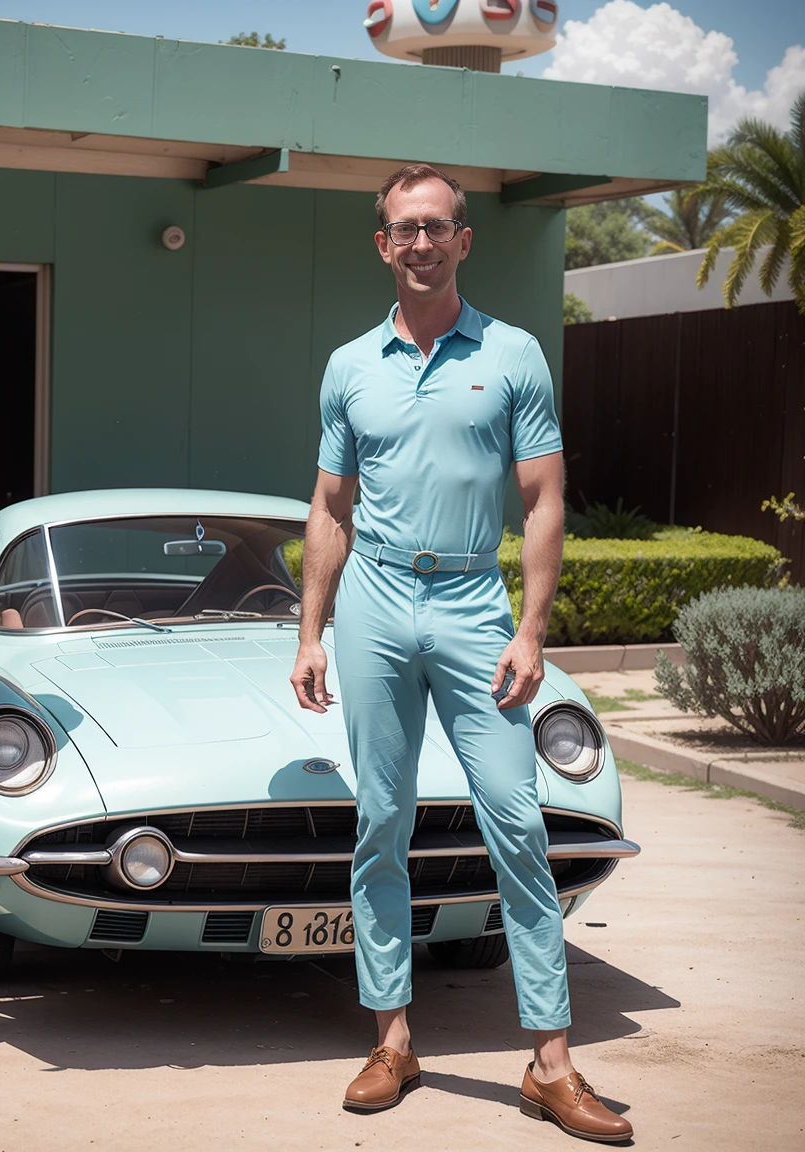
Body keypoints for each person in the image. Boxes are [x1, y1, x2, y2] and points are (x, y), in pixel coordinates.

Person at [289, 165, 632, 1142]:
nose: (423, 242)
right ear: (383, 245)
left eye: (439, 226)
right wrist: (311, 630)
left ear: (464, 241)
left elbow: (543, 501)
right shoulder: (350, 365)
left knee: (518, 822)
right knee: (381, 823)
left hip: (477, 603)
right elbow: (329, 507)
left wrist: (532, 627)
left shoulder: (515, 355)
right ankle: (392, 1037)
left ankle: (551, 1064)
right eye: (406, 229)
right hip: (376, 602)